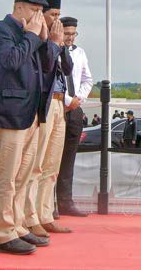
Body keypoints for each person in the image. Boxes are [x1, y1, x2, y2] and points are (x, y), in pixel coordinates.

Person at [0, 0, 62, 256]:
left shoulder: (31, 37)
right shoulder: (0, 31)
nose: (39, 17)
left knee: (24, 175)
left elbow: (47, 67)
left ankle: (17, 225)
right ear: (19, 8)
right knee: (7, 177)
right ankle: (3, 232)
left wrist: (49, 41)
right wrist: (31, 36)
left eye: (41, 12)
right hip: (8, 114)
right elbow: (11, 60)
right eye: (34, 11)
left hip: (30, 115)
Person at [25, 0, 73, 237]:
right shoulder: (37, 39)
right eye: (53, 15)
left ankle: (45, 214)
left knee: (52, 165)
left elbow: (68, 69)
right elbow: (44, 66)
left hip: (59, 104)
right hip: (42, 105)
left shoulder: (56, 40)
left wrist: (61, 44)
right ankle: (29, 216)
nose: (57, 21)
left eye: (58, 16)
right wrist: (52, 42)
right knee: (37, 164)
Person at [56, 16, 93, 217]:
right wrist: (68, 100)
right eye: (67, 34)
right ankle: (49, 204)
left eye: (73, 34)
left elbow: (88, 79)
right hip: (59, 107)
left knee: (69, 158)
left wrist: (79, 98)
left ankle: (65, 201)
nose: (70, 38)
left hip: (75, 110)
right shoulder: (53, 52)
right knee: (52, 158)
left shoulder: (80, 53)